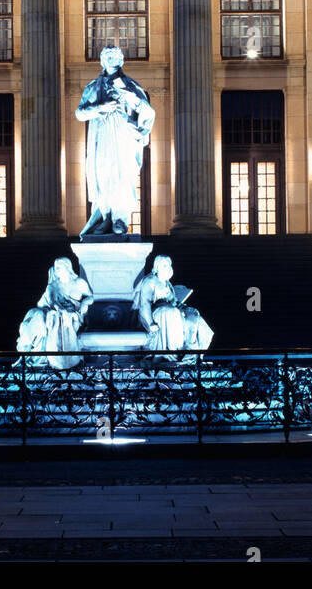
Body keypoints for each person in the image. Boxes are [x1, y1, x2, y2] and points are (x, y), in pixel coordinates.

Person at [77, 46, 154, 237]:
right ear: (102, 61)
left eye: (115, 56)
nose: (112, 59)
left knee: (122, 175)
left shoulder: (131, 86)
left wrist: (132, 101)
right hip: (102, 138)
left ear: (121, 61)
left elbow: (147, 111)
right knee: (103, 175)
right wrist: (99, 107)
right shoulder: (92, 87)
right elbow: (80, 113)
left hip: (123, 136)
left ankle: (120, 217)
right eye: (108, 56)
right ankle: (106, 217)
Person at [16, 258, 93, 369]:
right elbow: (51, 302)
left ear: (67, 267)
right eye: (56, 268)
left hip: (73, 314)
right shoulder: (53, 285)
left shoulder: (79, 283)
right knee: (41, 317)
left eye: (58, 268)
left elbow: (90, 297)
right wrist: (59, 309)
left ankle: (46, 356)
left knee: (55, 318)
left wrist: (84, 303)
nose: (56, 271)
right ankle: (29, 351)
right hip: (54, 311)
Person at [133, 255, 213, 356]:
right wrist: (150, 323)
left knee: (194, 318)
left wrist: (187, 309)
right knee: (172, 312)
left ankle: (191, 354)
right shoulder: (150, 281)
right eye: (164, 265)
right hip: (157, 313)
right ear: (157, 267)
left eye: (169, 265)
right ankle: (174, 354)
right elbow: (145, 303)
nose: (168, 268)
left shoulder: (167, 283)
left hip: (171, 310)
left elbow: (174, 302)